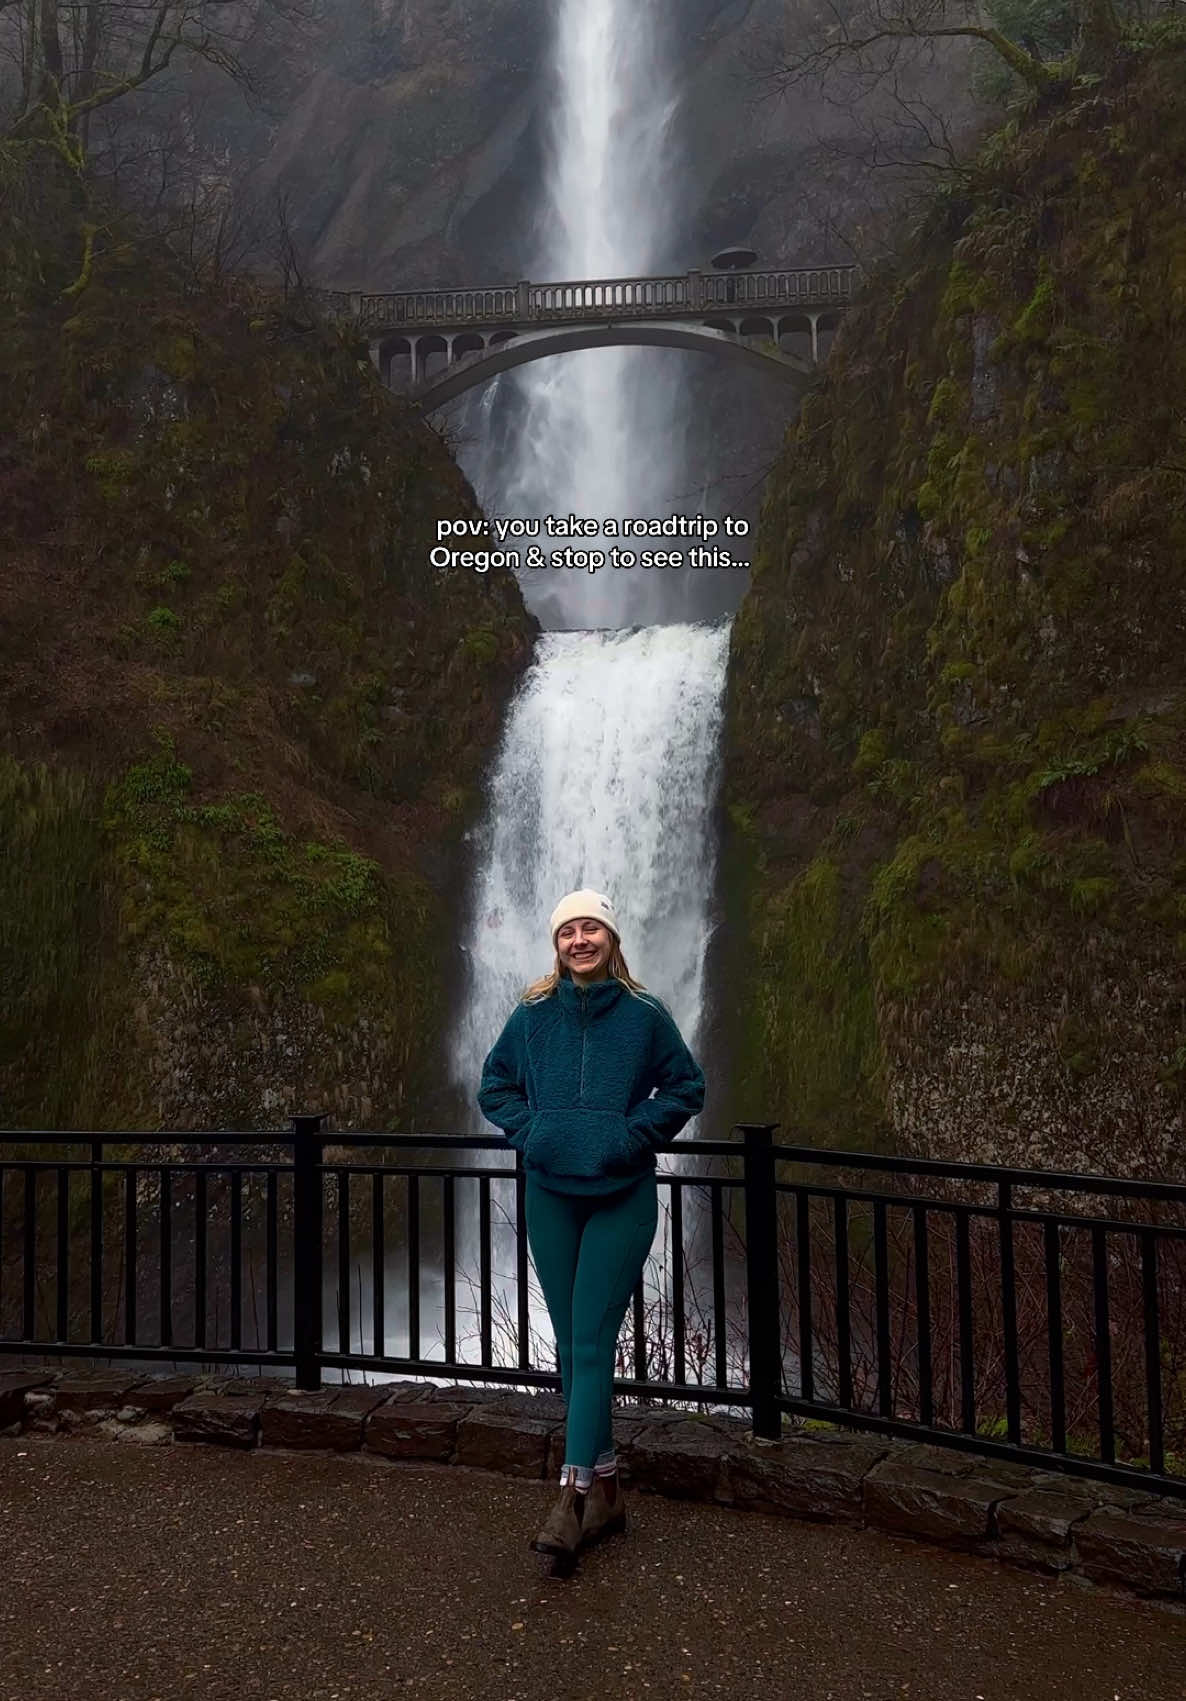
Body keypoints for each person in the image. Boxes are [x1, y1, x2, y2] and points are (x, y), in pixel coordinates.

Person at [477, 887, 705, 1574]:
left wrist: (630, 1136)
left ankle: (570, 1500)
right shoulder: (532, 1015)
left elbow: (686, 1087)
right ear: (557, 943)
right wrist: (537, 1132)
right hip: (551, 1194)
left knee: (588, 1341)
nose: (580, 939)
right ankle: (608, 1488)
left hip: (621, 1197)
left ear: (610, 936)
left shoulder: (644, 1015)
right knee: (575, 1347)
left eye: (591, 928)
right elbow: (494, 1086)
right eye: (568, 930)